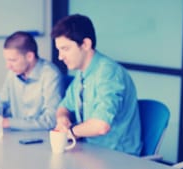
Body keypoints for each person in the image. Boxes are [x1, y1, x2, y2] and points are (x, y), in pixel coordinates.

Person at [51, 14, 142, 155]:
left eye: (65, 49)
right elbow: (63, 106)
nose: (60, 56)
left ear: (86, 44)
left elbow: (101, 125)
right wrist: (62, 119)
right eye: (59, 50)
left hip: (117, 157)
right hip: (90, 151)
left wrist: (69, 132)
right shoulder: (82, 73)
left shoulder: (108, 73)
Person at [0, 31, 62, 131]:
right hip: (15, 134)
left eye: (13, 60)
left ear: (30, 56)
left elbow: (50, 120)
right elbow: (2, 102)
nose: (8, 66)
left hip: (41, 137)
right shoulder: (14, 72)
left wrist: (7, 122)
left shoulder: (51, 75)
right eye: (7, 60)